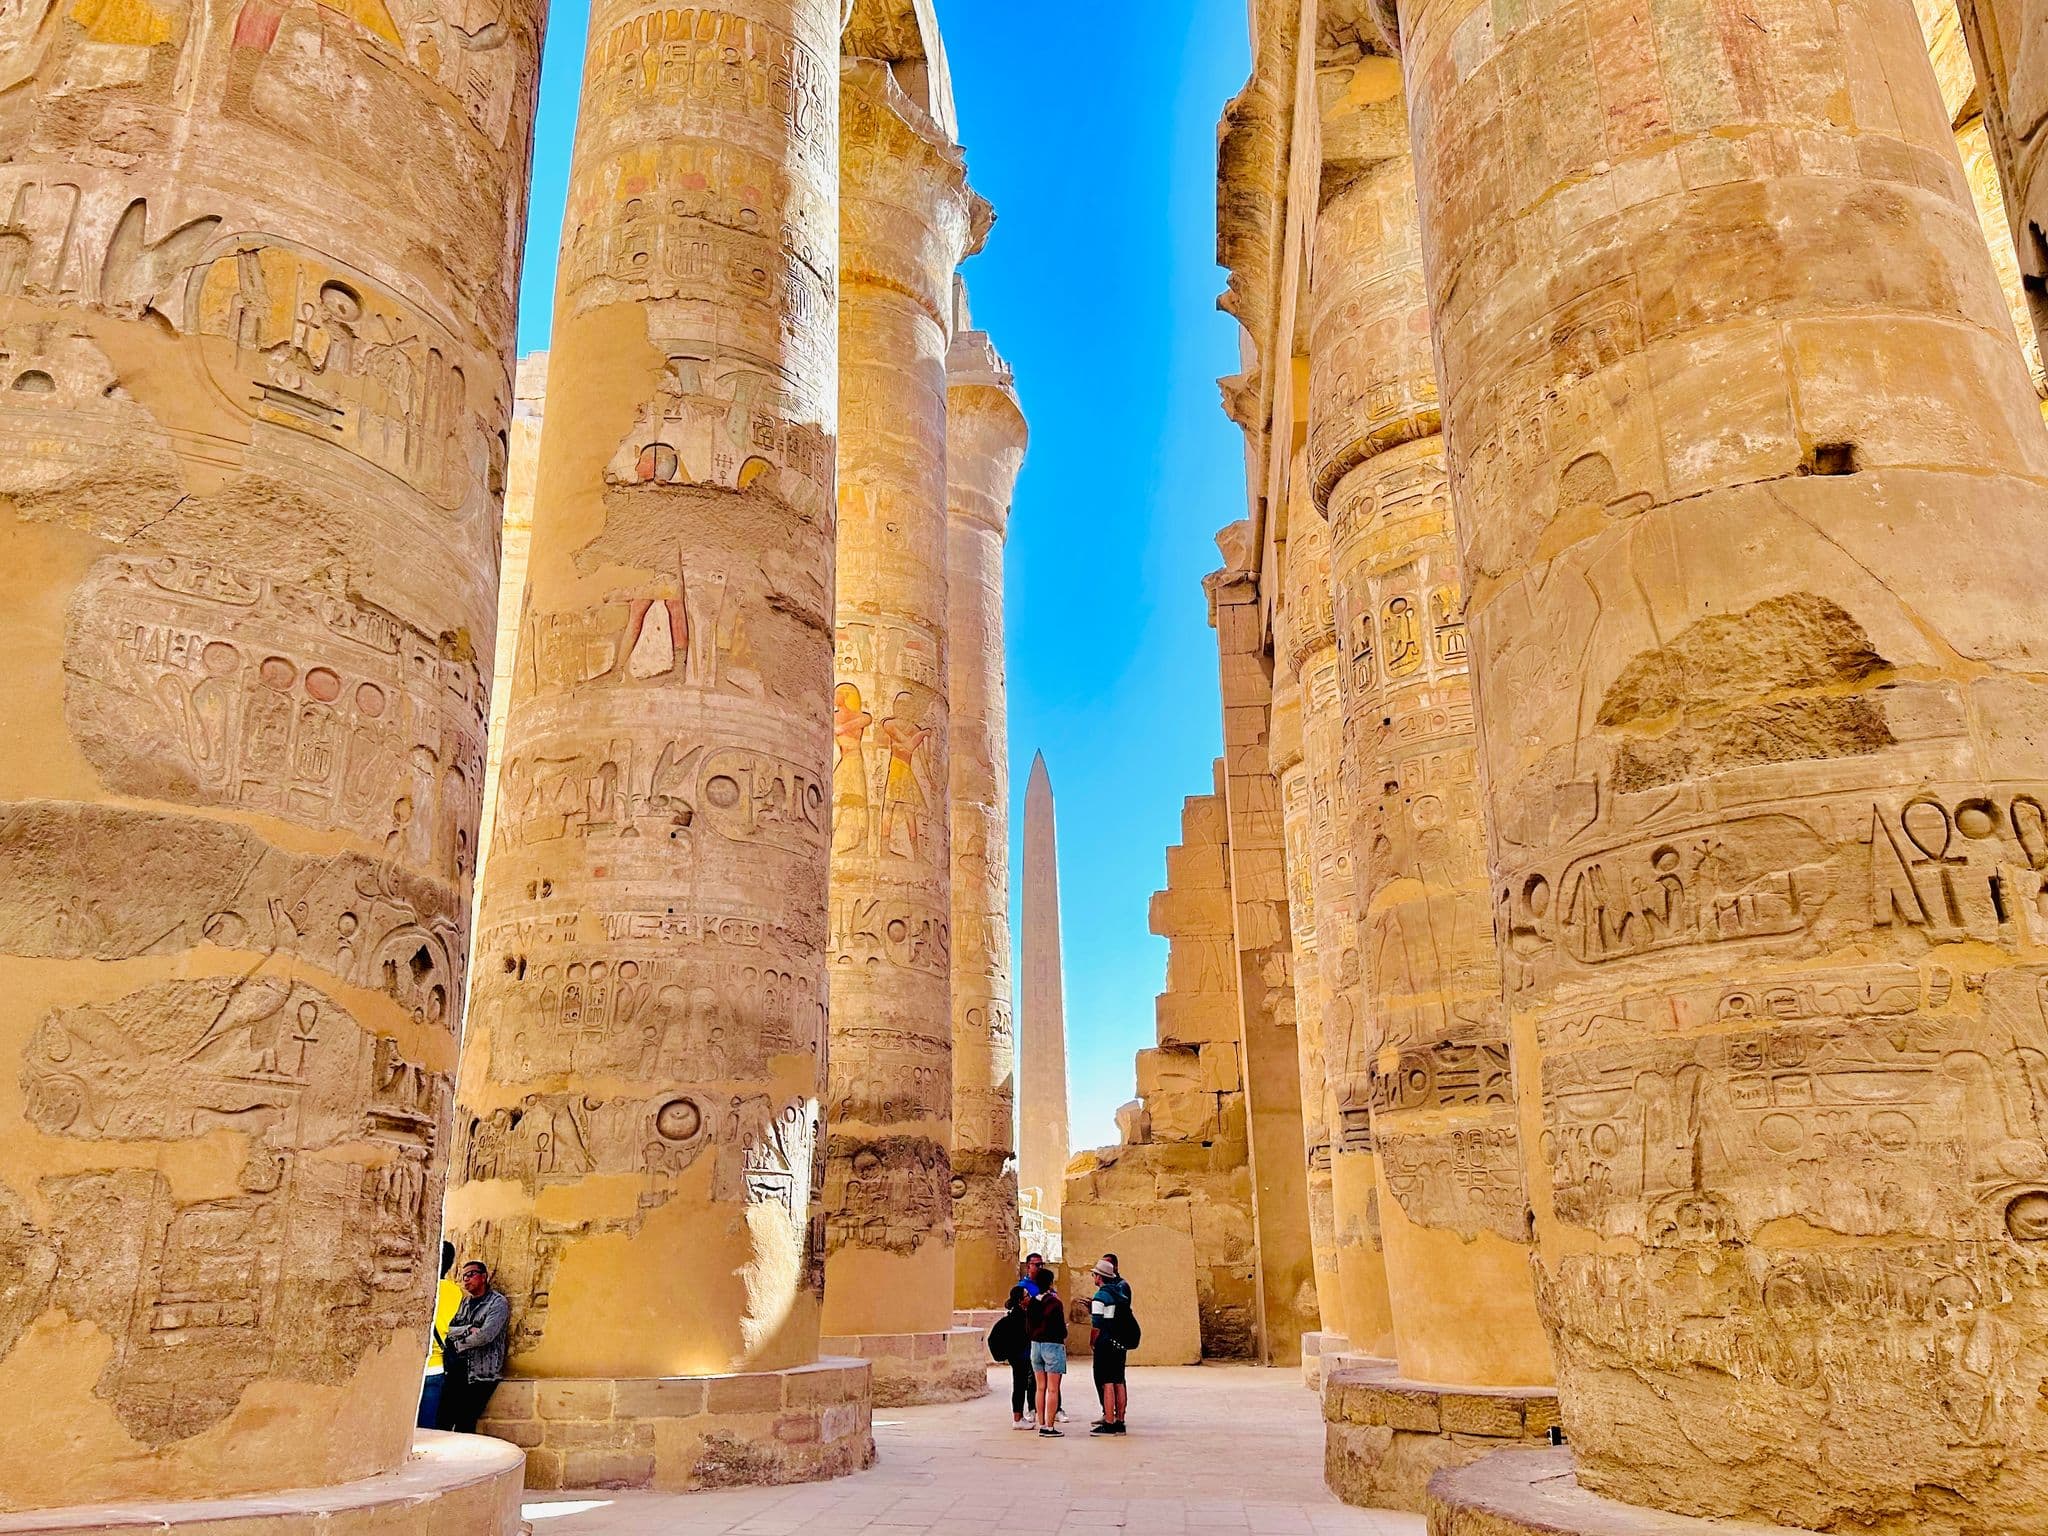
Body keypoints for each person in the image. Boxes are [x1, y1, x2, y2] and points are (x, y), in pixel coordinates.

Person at [434, 1260, 510, 1433]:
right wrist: (468, 1329)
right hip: (458, 1370)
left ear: (483, 1277)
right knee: (443, 1420)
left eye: (471, 1274)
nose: (466, 1279)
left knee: (465, 1422)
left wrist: (460, 1344)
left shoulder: (497, 1303)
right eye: (463, 1276)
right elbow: (450, 1329)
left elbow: (485, 1335)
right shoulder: (465, 1303)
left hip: (481, 1373)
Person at [416, 1241, 461, 1429]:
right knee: (427, 1428)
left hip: (412, 1364)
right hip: (436, 1365)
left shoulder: (418, 1286)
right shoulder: (455, 1292)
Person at [1089, 1254, 1133, 1435]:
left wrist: (1092, 1342)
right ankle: (1120, 1420)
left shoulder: (1101, 1296)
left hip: (1106, 1343)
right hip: (1119, 1341)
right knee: (1119, 1380)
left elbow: (1097, 1324)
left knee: (1107, 1382)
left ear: (1099, 1277)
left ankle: (1108, 1421)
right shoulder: (1119, 1292)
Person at [1024, 1259, 1068, 1437]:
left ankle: (1041, 1422)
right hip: (1052, 1345)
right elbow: (1060, 1329)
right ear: (1050, 1283)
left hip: (1036, 1345)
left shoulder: (1032, 1303)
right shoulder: (1055, 1303)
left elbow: (1028, 1327)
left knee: (1039, 1387)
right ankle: (1049, 1426)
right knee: (1052, 1388)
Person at [987, 1284, 1037, 1429]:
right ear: (1021, 1300)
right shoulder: (1018, 1317)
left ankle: (1020, 1416)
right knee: (1020, 1386)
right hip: (1019, 1356)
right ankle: (1017, 1418)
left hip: (1020, 1355)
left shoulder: (1019, 1314)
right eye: (1027, 1295)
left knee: (1021, 1385)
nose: (1030, 1297)